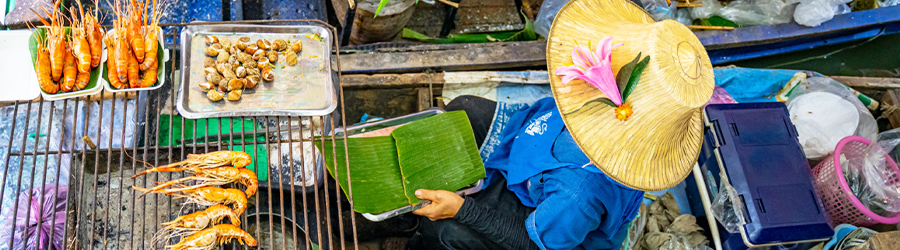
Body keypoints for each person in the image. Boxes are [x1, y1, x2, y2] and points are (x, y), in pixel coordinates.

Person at [404, 0, 717, 249]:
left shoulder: (578, 195)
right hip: (535, 155)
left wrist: (463, 209)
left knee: (445, 230)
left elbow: (531, 243)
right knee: (464, 109)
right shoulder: (602, 82)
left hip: (540, 217)